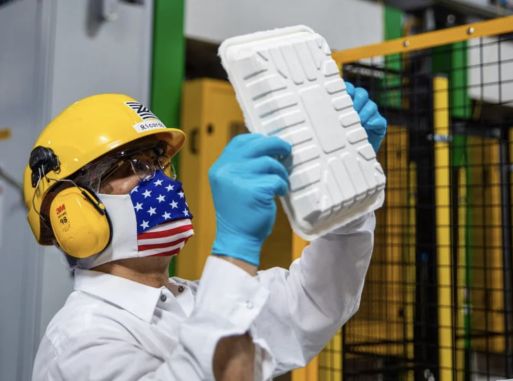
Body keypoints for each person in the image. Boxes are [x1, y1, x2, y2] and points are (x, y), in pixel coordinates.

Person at [25, 83, 387, 381]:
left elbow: (314, 300)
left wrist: (347, 183)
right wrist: (236, 248)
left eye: (160, 163)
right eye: (135, 165)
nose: (163, 181)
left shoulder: (192, 302)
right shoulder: (80, 343)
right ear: (69, 213)